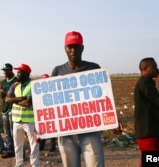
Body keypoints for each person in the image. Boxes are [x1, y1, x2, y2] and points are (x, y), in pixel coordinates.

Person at [51, 31, 105, 167]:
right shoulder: (57, 71)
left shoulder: (94, 68)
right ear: (65, 48)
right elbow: (50, 103)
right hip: (65, 133)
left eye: (76, 46)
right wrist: (41, 127)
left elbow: (104, 99)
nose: (73, 50)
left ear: (82, 48)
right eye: (70, 47)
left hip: (90, 130)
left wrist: (113, 120)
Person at [134, 57, 159, 167]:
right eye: (154, 66)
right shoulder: (144, 83)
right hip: (148, 133)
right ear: (145, 69)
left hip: (155, 131)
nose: (157, 69)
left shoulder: (148, 83)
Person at [5, 64, 40, 167]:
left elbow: (28, 103)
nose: (17, 74)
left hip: (30, 121)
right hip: (16, 120)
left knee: (34, 145)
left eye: (20, 72)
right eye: (17, 72)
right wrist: (21, 98)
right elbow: (7, 100)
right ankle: (19, 164)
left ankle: (35, 165)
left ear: (27, 74)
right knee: (18, 146)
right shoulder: (15, 85)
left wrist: (13, 100)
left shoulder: (33, 85)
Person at [0, 63, 17, 158]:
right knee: (7, 132)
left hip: (13, 108)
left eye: (6, 70)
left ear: (11, 70)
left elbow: (17, 94)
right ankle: (10, 148)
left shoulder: (16, 81)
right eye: (3, 70)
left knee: (13, 131)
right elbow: (1, 92)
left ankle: (16, 149)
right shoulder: (3, 81)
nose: (4, 72)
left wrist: (6, 94)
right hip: (5, 109)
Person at [38, 74, 56, 153]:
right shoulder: (38, 90)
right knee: (43, 130)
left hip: (51, 112)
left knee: (52, 130)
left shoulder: (52, 90)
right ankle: (41, 146)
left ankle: (53, 147)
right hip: (43, 113)